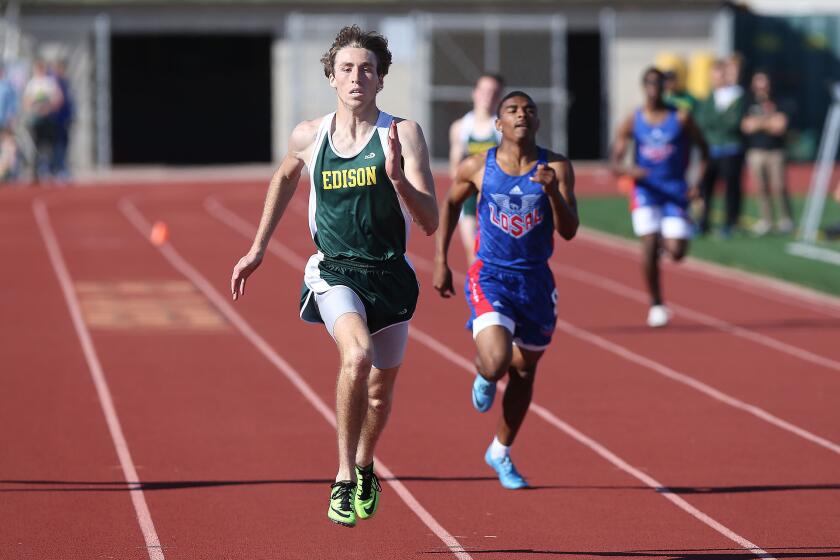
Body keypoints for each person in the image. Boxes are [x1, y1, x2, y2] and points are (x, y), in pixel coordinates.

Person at [230, 25, 438, 528]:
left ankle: (366, 463)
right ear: (331, 77)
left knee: (379, 393)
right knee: (358, 354)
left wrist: (396, 181)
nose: (356, 77)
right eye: (346, 68)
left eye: (366, 68)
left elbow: (431, 220)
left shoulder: (403, 134)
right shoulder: (310, 134)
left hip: (389, 273)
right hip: (334, 270)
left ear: (381, 79)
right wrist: (258, 247)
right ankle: (344, 475)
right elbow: (283, 176)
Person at [433, 91, 578, 489]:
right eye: (512, 110)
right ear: (498, 124)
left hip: (536, 281)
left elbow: (569, 230)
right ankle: (484, 373)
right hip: (491, 275)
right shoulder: (478, 166)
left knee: (525, 371)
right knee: (497, 362)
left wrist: (551, 192)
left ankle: (500, 450)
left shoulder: (558, 167)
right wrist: (442, 261)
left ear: (537, 122)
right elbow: (448, 204)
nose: (522, 115)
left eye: (529, 110)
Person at [610, 67, 708, 328]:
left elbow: (705, 149)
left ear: (665, 87)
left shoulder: (681, 118)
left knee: (677, 252)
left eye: (658, 83)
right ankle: (656, 303)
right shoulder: (634, 120)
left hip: (675, 191)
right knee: (649, 245)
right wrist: (629, 170)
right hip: (645, 191)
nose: (654, 88)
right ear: (644, 87)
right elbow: (615, 161)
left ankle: (667, 241)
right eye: (650, 83)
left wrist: (698, 183)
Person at [448, 74, 504, 265]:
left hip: (496, 198)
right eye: (484, 91)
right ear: (475, 93)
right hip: (469, 199)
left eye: (494, 92)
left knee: (498, 256)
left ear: (499, 97)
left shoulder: (503, 128)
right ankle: (478, 293)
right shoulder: (461, 127)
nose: (488, 96)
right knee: (474, 256)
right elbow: (455, 169)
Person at [694, 56, 747, 237]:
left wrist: (717, 124)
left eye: (719, 74)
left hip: (731, 149)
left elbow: (733, 123)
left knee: (731, 188)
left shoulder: (738, 96)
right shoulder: (710, 97)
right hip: (711, 150)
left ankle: (730, 223)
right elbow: (703, 121)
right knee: (705, 188)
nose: (716, 78)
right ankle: (703, 222)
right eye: (713, 75)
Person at [741, 70, 793, 235]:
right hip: (755, 151)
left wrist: (759, 123)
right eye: (758, 81)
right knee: (761, 188)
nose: (761, 85)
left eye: (764, 81)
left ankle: (786, 219)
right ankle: (767, 220)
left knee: (780, 186)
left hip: (775, 151)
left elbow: (780, 126)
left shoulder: (780, 100)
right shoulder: (748, 101)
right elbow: (747, 126)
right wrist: (768, 122)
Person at [22, 60, 62, 184]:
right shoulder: (32, 83)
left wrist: (48, 108)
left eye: (41, 68)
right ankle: (35, 173)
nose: (39, 71)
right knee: (35, 147)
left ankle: (50, 171)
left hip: (48, 119)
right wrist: (34, 109)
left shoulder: (49, 83)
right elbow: (26, 101)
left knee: (49, 146)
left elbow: (58, 98)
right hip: (36, 120)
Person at [50, 59, 73, 182]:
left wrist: (71, 116)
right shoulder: (54, 83)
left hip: (64, 118)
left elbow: (69, 102)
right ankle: (58, 169)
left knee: (64, 144)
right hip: (56, 119)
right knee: (57, 145)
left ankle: (62, 168)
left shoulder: (65, 82)